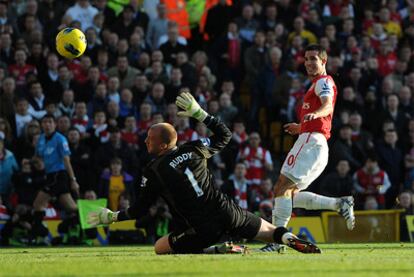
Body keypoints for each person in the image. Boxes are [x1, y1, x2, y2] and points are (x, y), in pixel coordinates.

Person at [88, 91, 321, 254]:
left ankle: (214, 250)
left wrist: (112, 216)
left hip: (201, 228)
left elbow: (140, 209)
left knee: (160, 247)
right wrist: (201, 114)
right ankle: (289, 239)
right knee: (268, 230)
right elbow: (225, 136)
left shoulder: (154, 170)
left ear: (161, 145)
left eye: (149, 139)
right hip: (226, 209)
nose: (145, 141)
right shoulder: (195, 148)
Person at [272, 45, 355, 237]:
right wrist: (300, 127)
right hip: (316, 143)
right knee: (290, 194)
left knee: (281, 187)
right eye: (306, 59)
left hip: (311, 142)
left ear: (323, 61)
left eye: (313, 59)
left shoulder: (323, 82)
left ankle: (277, 240)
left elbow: (326, 107)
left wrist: (314, 115)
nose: (308, 63)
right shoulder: (317, 83)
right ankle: (339, 204)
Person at [32, 114, 79, 243]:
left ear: (55, 124)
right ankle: (88, 218)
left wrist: (73, 179)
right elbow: (38, 157)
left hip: (59, 175)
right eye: (45, 122)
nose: (47, 124)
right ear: (42, 125)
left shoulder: (60, 139)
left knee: (38, 203)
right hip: (50, 176)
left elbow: (66, 160)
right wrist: (34, 161)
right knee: (71, 208)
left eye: (50, 122)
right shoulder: (41, 139)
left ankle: (42, 233)